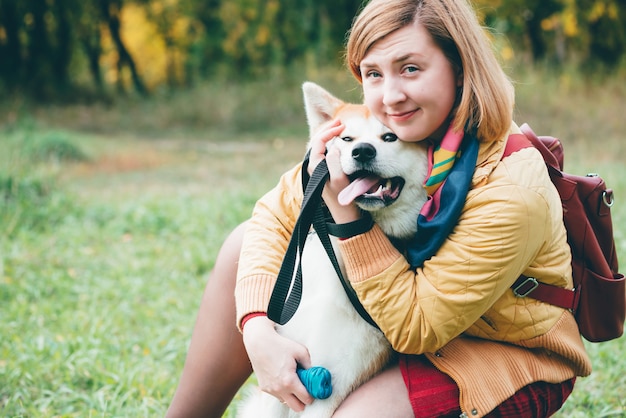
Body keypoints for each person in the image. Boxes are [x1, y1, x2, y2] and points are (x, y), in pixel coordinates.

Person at [166, 0, 592, 417]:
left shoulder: (510, 188)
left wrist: (346, 215)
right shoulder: (388, 132)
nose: (390, 96)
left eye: (410, 68)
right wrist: (256, 328)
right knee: (243, 243)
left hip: (500, 351)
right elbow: (272, 216)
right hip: (410, 326)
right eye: (373, 73)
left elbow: (416, 327)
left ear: (460, 69)